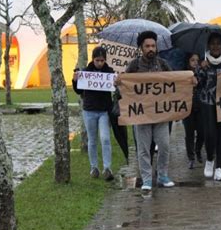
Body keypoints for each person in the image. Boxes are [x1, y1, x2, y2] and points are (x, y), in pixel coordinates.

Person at [123, 31, 174, 192]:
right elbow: (125, 86)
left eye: (153, 45)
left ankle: (162, 175)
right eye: (147, 46)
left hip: (161, 115)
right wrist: (120, 81)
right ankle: (146, 179)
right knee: (143, 149)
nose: (151, 48)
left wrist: (189, 80)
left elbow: (176, 82)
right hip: (141, 115)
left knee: (164, 145)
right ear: (141, 48)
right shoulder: (134, 65)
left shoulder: (163, 64)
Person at [196, 33, 221, 181]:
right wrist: (201, 69)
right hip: (207, 103)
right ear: (208, 46)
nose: (215, 46)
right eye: (212, 43)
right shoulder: (203, 62)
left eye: (218, 43)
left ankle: (219, 167)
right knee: (210, 134)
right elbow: (196, 84)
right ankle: (209, 160)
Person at [72, 46, 114, 181]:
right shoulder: (86, 72)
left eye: (102, 60)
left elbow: (116, 88)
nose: (100, 63)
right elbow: (78, 91)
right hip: (89, 110)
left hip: (104, 111)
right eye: (97, 60)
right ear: (93, 59)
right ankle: (94, 167)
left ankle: (107, 167)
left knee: (105, 138)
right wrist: (75, 80)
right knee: (92, 140)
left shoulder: (110, 72)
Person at [182, 53, 204, 169]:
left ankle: (198, 150)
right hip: (187, 107)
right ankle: (191, 157)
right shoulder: (184, 74)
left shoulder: (202, 72)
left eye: (197, 60)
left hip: (200, 107)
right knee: (189, 133)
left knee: (202, 132)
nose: (195, 62)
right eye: (192, 60)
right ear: (188, 62)